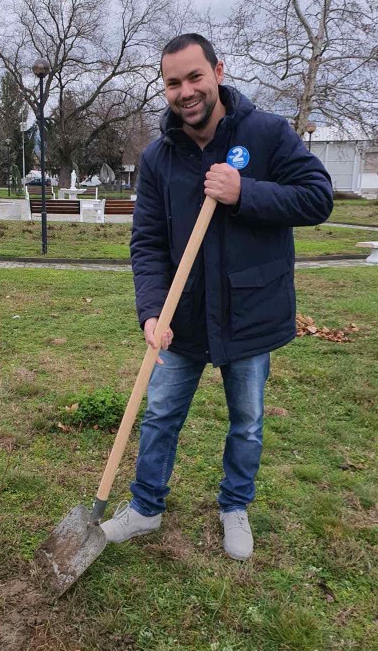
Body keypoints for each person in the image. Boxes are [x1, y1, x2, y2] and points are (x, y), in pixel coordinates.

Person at [100, 34, 333, 560]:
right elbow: (148, 242)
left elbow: (317, 196)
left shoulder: (268, 134)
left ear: (218, 72)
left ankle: (234, 506)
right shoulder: (158, 158)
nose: (186, 91)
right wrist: (152, 310)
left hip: (250, 313)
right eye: (173, 82)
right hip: (181, 319)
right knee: (159, 414)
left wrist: (245, 191)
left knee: (246, 420)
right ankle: (144, 508)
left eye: (194, 77)